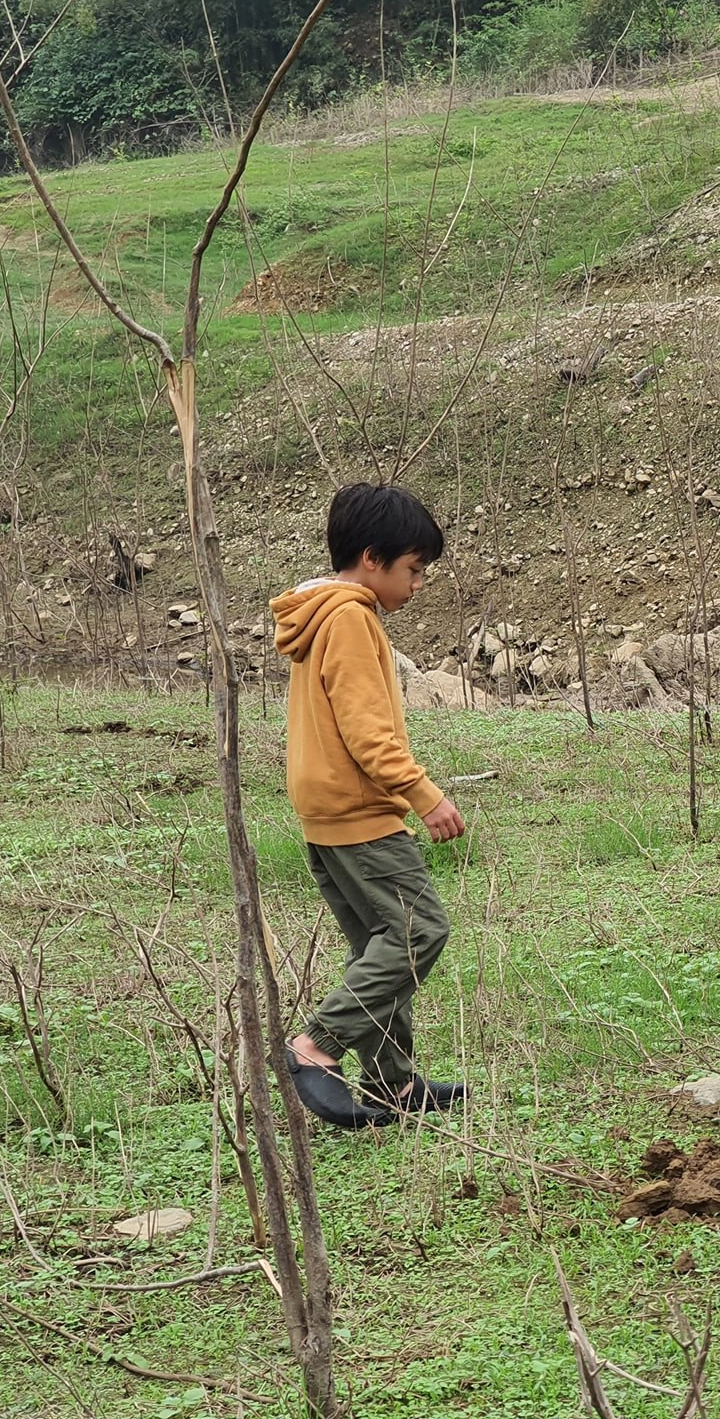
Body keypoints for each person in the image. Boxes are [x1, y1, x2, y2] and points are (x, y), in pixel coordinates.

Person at [271, 483, 468, 1128]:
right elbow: (366, 732)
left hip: (325, 817)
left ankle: (393, 1086)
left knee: (376, 949)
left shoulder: (319, 617)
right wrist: (425, 795)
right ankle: (314, 1047)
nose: (417, 585)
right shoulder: (351, 619)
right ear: (372, 558)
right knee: (418, 931)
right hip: (362, 816)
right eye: (413, 569)